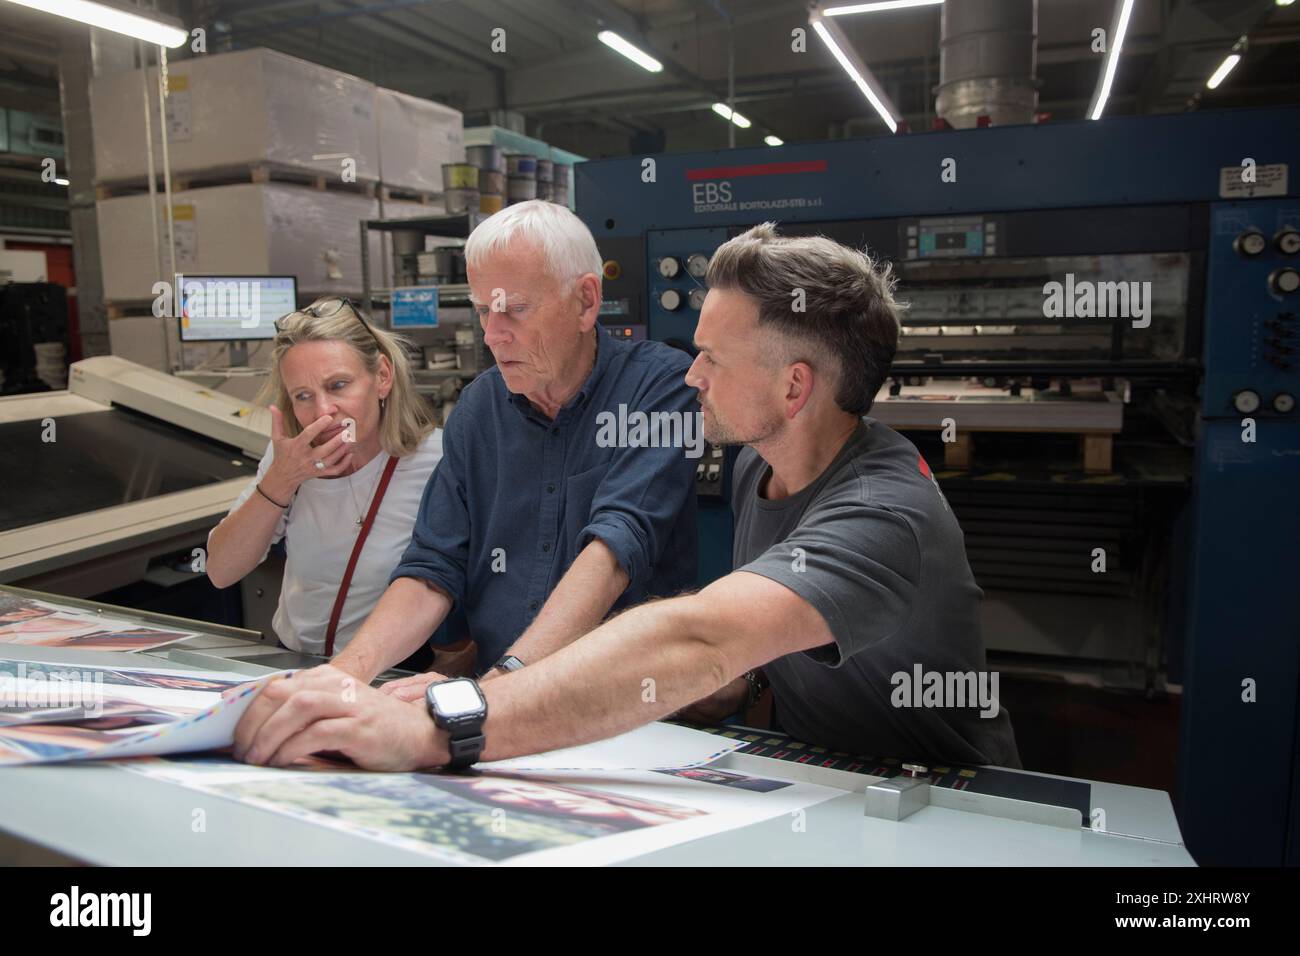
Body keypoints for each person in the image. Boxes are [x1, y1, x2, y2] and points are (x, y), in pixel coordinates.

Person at [233, 223, 1020, 772]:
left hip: (942, 798)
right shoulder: (758, 467)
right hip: (822, 773)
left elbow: (700, 635)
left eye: (712, 356)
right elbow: (747, 656)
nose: (691, 375)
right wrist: (725, 690)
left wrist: (451, 721)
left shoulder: (885, 512)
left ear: (794, 385)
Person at [323, 199, 700, 688]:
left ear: (586, 301)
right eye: (483, 311)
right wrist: (343, 678)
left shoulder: (659, 388)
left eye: (515, 310)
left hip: (623, 700)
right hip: (497, 696)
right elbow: (434, 564)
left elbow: (615, 548)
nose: (493, 336)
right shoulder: (480, 407)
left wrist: (501, 686)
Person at [206, 297, 442, 660]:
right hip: (297, 661)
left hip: (393, 671)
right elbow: (221, 571)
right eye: (303, 395)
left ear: (382, 376)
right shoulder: (290, 458)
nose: (322, 412)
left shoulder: (435, 460)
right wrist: (281, 480)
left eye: (338, 386)